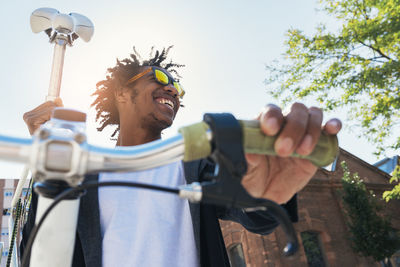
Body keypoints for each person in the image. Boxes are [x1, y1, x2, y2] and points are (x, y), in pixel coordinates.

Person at [21, 47, 341, 267]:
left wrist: (265, 195)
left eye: (177, 87)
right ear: (120, 92)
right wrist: (50, 169)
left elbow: (254, 213)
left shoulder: (194, 163)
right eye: (159, 78)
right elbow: (39, 255)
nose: (173, 90)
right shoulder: (83, 173)